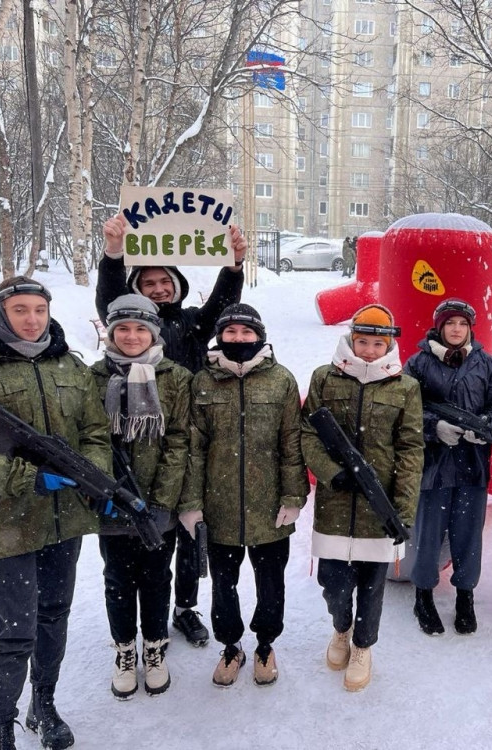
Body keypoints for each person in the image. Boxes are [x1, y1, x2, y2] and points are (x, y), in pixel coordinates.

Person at [0, 277, 110, 750]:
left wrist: (91, 473)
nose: (32, 320)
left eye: (39, 310)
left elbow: (95, 431)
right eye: (20, 310)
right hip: (5, 524)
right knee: (15, 631)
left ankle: (44, 705)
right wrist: (23, 477)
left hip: (64, 519)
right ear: (0, 314)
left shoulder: (71, 367)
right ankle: (0, 727)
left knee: (53, 616)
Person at [97, 214, 249, 648]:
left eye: (165, 281)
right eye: (149, 283)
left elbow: (221, 305)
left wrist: (234, 265)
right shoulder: (133, 327)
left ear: (178, 284)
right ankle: (146, 617)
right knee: (150, 534)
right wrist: (113, 254)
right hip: (144, 444)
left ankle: (184, 606)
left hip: (190, 439)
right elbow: (110, 300)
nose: (159, 288)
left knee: (189, 528)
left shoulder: (192, 323)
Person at [183, 304, 308, 688]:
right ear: (220, 336)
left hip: (270, 508)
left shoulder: (280, 380)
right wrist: (191, 504)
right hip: (219, 507)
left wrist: (293, 496)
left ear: (259, 336)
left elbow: (292, 443)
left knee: (271, 583)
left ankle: (265, 644)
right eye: (231, 331)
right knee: (224, 584)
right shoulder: (202, 381)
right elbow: (194, 448)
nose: (238, 338)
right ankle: (230, 645)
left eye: (246, 331)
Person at [301, 304, 423, 691]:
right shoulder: (325, 378)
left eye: (377, 344)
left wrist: (402, 509)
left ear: (388, 346)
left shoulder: (405, 387)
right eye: (363, 342)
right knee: (333, 584)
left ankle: (363, 647)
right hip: (336, 504)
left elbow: (410, 451)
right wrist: (332, 473)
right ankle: (341, 628)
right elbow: (308, 433)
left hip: (379, 506)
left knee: (372, 588)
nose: (369, 351)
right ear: (351, 340)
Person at [90, 295, 193, 700]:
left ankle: (154, 648)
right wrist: (105, 490)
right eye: (122, 329)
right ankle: (124, 651)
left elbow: (179, 441)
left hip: (157, 506)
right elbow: (89, 438)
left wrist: (162, 502)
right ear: (111, 332)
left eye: (140, 329)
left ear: (153, 332)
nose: (131, 336)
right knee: (117, 579)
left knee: (156, 578)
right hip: (111, 502)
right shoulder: (94, 377)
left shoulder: (175, 377)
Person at [404, 298, 492, 636]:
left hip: (472, 465)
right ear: (439, 326)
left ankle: (465, 596)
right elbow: (405, 409)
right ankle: (423, 595)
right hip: (432, 466)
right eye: (450, 323)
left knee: (468, 534)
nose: (456, 329)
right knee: (427, 535)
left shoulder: (486, 364)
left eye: (462, 324)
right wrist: (433, 427)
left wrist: (486, 426)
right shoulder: (418, 363)